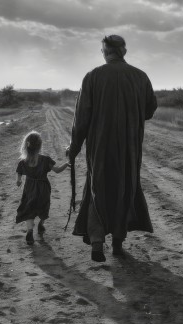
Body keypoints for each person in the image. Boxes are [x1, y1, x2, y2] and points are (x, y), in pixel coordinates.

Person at [67, 34, 157, 262]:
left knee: (98, 188)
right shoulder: (140, 77)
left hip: (100, 147)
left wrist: (74, 147)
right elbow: (149, 110)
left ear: (105, 51)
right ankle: (118, 242)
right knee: (124, 188)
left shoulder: (93, 76)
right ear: (123, 51)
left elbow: (82, 118)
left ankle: (97, 241)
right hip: (130, 146)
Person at [16, 131, 69, 245]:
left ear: (26, 145)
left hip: (29, 189)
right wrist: (66, 164)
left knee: (28, 208)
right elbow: (57, 170)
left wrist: (19, 180)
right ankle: (41, 224)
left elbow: (19, 172)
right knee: (44, 206)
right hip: (43, 188)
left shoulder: (23, 161)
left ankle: (30, 230)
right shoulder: (45, 159)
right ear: (40, 146)